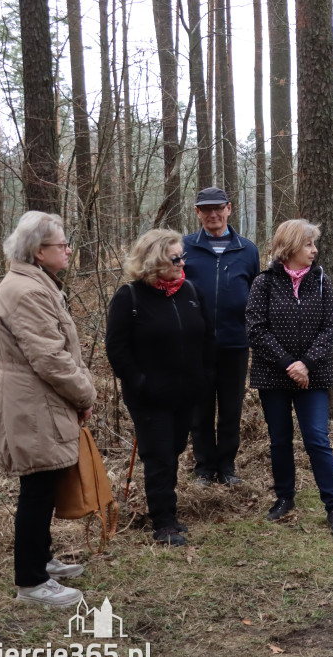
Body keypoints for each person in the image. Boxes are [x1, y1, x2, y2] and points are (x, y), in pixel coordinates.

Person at [0, 211, 96, 606]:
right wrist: (85, 395)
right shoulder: (28, 291)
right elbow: (51, 359)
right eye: (61, 245)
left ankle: (41, 560)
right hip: (33, 402)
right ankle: (31, 582)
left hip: (40, 400)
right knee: (36, 489)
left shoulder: (36, 283)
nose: (69, 250)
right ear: (39, 251)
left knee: (46, 483)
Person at [106, 229, 211, 547]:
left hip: (186, 393)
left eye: (183, 256)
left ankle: (169, 512)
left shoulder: (191, 291)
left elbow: (207, 337)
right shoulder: (130, 297)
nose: (182, 263)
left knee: (174, 450)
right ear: (153, 261)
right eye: (175, 257)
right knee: (159, 455)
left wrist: (204, 376)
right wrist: (140, 383)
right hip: (149, 397)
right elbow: (117, 350)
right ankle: (164, 522)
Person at [246, 219, 333, 536]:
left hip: (313, 377)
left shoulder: (321, 281)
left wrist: (304, 364)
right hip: (272, 375)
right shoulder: (264, 283)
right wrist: (289, 363)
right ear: (289, 247)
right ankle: (284, 498)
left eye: (313, 244)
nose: (314, 250)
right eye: (308, 244)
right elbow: (256, 329)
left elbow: (331, 326)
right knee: (279, 440)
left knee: (317, 439)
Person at [183, 186, 260, 487]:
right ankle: (204, 468)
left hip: (235, 344)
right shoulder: (185, 247)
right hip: (196, 346)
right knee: (200, 409)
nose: (212, 214)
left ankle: (227, 467)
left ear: (229, 208)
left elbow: (255, 294)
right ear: (197, 212)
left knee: (231, 409)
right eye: (206, 209)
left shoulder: (247, 249)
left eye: (218, 208)